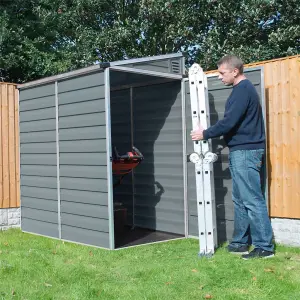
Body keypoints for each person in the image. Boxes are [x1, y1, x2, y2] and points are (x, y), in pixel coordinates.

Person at [190, 55, 274, 260]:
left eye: (222, 73)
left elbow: (229, 122)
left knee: (252, 199)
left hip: (246, 151)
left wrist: (205, 133)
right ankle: (240, 243)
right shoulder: (241, 91)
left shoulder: (243, 91)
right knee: (239, 199)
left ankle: (264, 247)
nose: (219, 77)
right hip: (241, 151)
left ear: (235, 71)